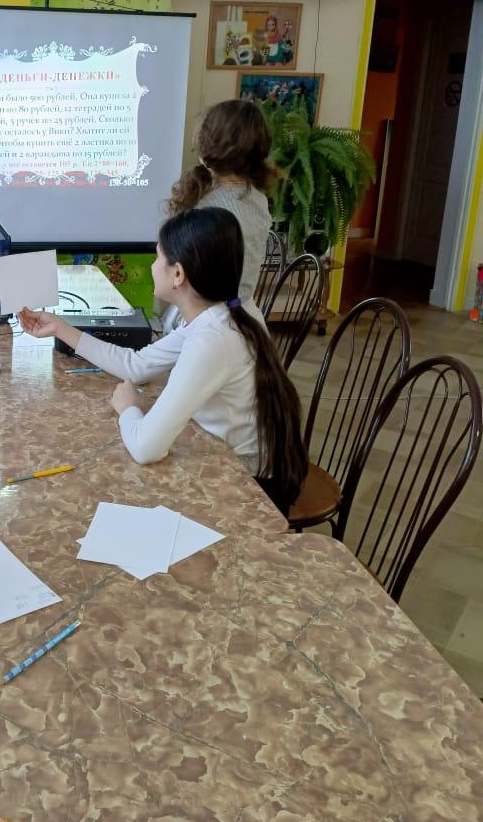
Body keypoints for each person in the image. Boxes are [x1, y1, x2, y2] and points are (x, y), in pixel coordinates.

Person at [19, 207, 307, 515]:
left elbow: (146, 448)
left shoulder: (212, 340)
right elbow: (135, 365)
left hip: (252, 490)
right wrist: (61, 328)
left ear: (178, 274)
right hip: (233, 465)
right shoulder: (215, 317)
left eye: (158, 257)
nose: (153, 265)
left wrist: (129, 409)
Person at [166, 99, 277, 323]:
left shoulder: (207, 207)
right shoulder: (259, 200)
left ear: (205, 144)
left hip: (207, 320)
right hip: (247, 315)